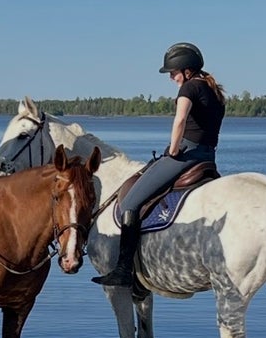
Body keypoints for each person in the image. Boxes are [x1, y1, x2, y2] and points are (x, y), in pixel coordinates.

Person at [92, 42, 226, 288]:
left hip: (186, 156)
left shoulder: (189, 88)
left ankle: (123, 270)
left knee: (130, 201)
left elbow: (180, 121)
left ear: (186, 70)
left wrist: (173, 150)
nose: (171, 78)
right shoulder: (214, 92)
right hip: (208, 158)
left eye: (173, 73)